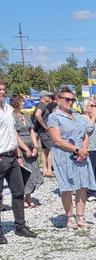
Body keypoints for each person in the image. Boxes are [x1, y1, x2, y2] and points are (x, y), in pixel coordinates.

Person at [47, 86, 96, 229]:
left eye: (72, 99)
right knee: (67, 187)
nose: (70, 102)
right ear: (58, 99)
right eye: (67, 99)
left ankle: (80, 217)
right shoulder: (54, 117)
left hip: (81, 155)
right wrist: (77, 150)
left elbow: (85, 134)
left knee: (82, 186)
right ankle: (69, 218)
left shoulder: (78, 116)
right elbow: (56, 139)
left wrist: (84, 150)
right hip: (64, 155)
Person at [0, 80, 37, 243]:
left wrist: (19, 153)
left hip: (12, 155)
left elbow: (12, 133)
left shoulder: (8, 109)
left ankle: (20, 226)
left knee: (18, 191)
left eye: (3, 89)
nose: (2, 92)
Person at [12, 95, 44, 208]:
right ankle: (23, 198)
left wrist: (35, 147)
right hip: (20, 148)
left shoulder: (25, 116)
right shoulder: (12, 116)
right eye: (22, 101)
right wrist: (25, 148)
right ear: (16, 103)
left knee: (33, 171)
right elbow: (15, 135)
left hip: (31, 146)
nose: (24, 103)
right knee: (24, 173)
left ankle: (29, 197)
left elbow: (31, 131)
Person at [33, 90, 55, 177]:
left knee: (45, 150)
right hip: (44, 131)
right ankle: (49, 170)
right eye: (48, 96)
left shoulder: (41, 105)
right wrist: (45, 126)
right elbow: (38, 115)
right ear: (43, 97)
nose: (49, 97)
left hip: (40, 131)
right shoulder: (42, 104)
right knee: (52, 149)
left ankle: (45, 169)